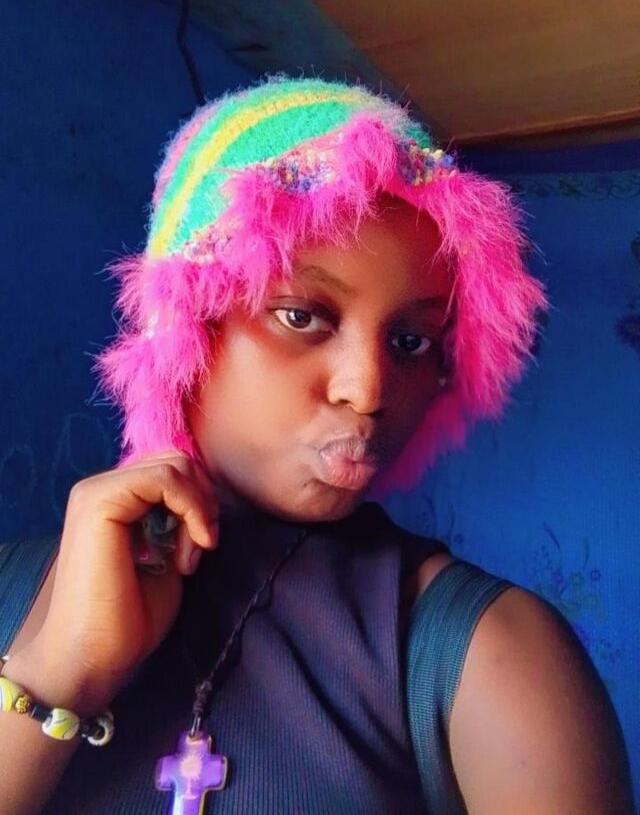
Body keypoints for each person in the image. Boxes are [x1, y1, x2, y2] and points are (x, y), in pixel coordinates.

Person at [0, 76, 634, 815]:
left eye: (411, 340)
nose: (369, 390)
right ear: (184, 322)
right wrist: (56, 675)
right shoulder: (13, 585)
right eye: (302, 315)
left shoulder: (485, 651)